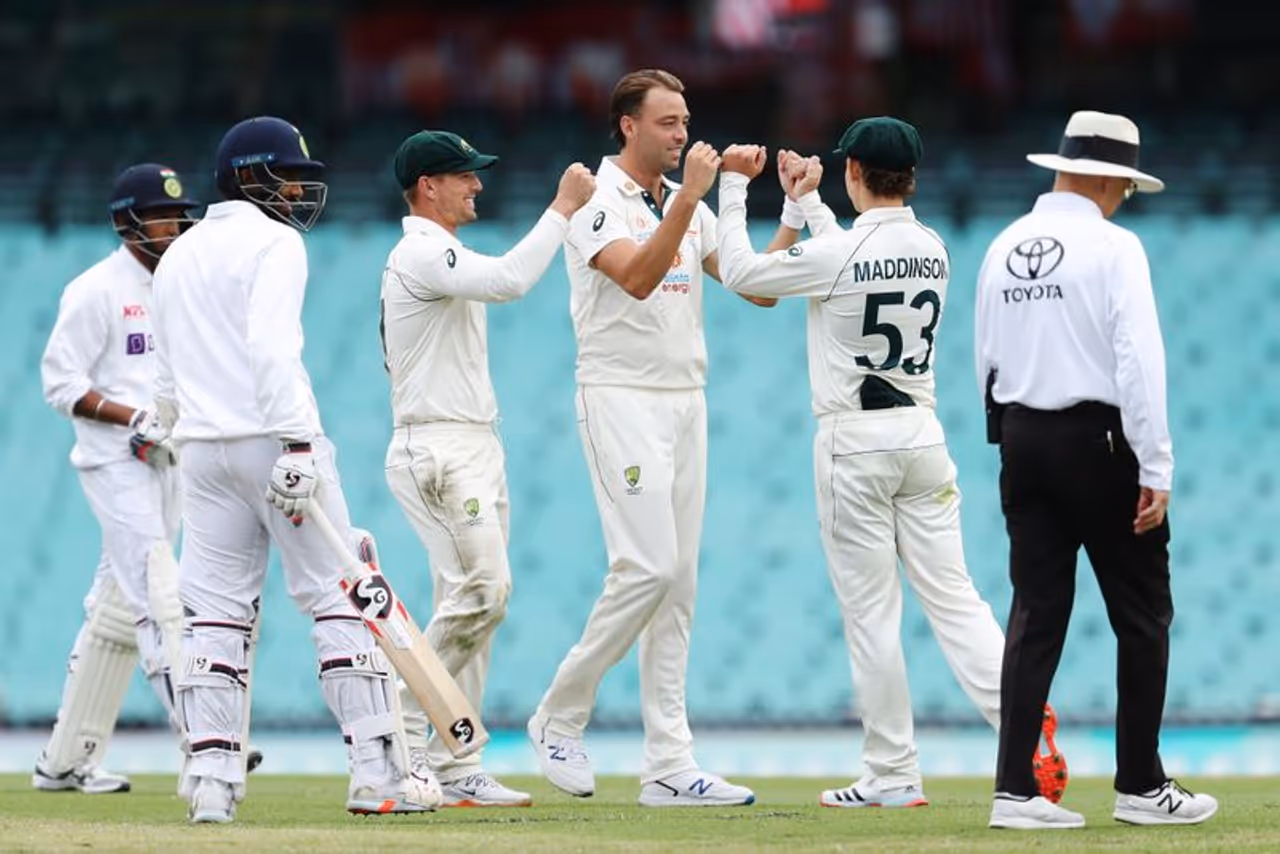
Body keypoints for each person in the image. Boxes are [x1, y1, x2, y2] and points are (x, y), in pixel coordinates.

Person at [713, 119, 1069, 810]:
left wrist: (734, 187)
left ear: (853, 174)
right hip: (922, 437)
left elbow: (742, 274)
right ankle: (1023, 724)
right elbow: (853, 258)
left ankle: (893, 773)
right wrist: (807, 207)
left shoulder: (841, 252)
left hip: (855, 441)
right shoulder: (934, 247)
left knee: (873, 615)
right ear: (911, 176)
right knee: (956, 597)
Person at [150, 116, 438, 823]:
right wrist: (301, 445)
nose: (301, 192)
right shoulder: (275, 243)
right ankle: (376, 774)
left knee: (214, 616)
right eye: (289, 177)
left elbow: (163, 373)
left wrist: (175, 433)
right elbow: (272, 349)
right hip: (273, 440)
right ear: (249, 175)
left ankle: (211, 785)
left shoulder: (178, 254)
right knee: (340, 596)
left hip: (202, 448)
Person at [527, 69, 773, 807]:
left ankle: (669, 764)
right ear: (627, 126)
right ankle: (558, 715)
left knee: (680, 588)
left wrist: (776, 202)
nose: (682, 133)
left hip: (684, 399)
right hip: (620, 397)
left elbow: (756, 284)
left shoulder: (681, 204)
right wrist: (695, 196)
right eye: (667, 121)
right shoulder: (593, 199)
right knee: (649, 568)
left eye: (686, 119)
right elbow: (635, 277)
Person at [976, 110, 1217, 829]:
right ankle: (1140, 785)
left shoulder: (1004, 243)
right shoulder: (1115, 248)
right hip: (1098, 441)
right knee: (1142, 614)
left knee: (1035, 612)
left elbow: (984, 356)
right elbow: (1138, 361)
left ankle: (1013, 790)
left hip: (1020, 436)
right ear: (1109, 180)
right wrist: (1157, 462)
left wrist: (1003, 436)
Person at [380, 129, 595, 807]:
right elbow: (508, 282)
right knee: (485, 591)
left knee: (473, 606)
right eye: (463, 175)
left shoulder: (440, 251)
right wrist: (561, 209)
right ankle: (399, 742)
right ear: (427, 188)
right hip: (439, 447)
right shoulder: (422, 250)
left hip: (472, 442)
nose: (477, 184)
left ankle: (455, 763)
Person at [36, 163, 197, 794]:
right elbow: (61, 384)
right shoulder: (96, 289)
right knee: (159, 591)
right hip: (114, 460)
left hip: (168, 458)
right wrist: (134, 417)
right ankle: (209, 739)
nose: (176, 226)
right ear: (128, 221)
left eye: (180, 216)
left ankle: (64, 761)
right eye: (162, 215)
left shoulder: (181, 287)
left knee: (114, 609)